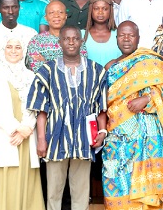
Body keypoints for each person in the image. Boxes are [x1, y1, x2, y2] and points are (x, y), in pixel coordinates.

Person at [102, 21, 163, 209]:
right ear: (116, 39)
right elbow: (103, 100)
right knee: (117, 183)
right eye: (122, 35)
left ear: (138, 38)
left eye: (131, 35)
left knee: (150, 194)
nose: (126, 39)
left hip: (149, 138)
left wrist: (148, 98)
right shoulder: (110, 66)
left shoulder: (151, 61)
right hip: (117, 137)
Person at [27, 24, 107, 210]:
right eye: (66, 39)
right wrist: (41, 140)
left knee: (81, 190)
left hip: (84, 139)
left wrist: (102, 131)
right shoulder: (46, 71)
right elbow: (41, 110)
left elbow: (101, 107)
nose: (71, 42)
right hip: (55, 138)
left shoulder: (97, 71)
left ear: (81, 42)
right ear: (60, 42)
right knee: (54, 191)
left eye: (75, 38)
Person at [0, 38, 44, 210]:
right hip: (5, 135)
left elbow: (35, 106)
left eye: (18, 47)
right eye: (9, 47)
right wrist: (16, 128)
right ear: (3, 50)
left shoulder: (31, 76)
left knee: (25, 179)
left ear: (24, 51)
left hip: (26, 137)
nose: (13, 51)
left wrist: (27, 128)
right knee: (2, 175)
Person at [26, 0, 86, 72]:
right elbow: (37, 69)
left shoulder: (76, 38)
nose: (56, 15)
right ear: (46, 17)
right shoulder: (36, 41)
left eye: (60, 12)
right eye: (51, 13)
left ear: (66, 16)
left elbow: (81, 65)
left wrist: (45, 63)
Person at [83, 0, 121, 67]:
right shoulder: (81, 35)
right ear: (91, 10)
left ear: (111, 11)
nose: (100, 12)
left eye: (105, 9)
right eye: (96, 8)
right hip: (89, 78)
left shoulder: (119, 34)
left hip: (116, 77)